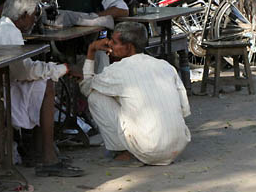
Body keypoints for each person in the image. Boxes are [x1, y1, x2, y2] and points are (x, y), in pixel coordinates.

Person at [0, 0, 84, 177]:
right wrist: (62, 69)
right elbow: (24, 72)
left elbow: (21, 69)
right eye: (34, 15)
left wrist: (52, 69)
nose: (35, 20)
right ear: (24, 14)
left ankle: (40, 150)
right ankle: (47, 156)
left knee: (44, 79)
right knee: (46, 84)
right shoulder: (9, 33)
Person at [79, 21, 191, 166]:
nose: (109, 44)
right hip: (177, 146)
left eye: (114, 42)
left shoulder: (117, 71)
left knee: (95, 97)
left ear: (129, 47)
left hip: (148, 149)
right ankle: (140, 146)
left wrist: (91, 51)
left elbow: (86, 88)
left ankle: (123, 153)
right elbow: (184, 110)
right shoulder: (165, 66)